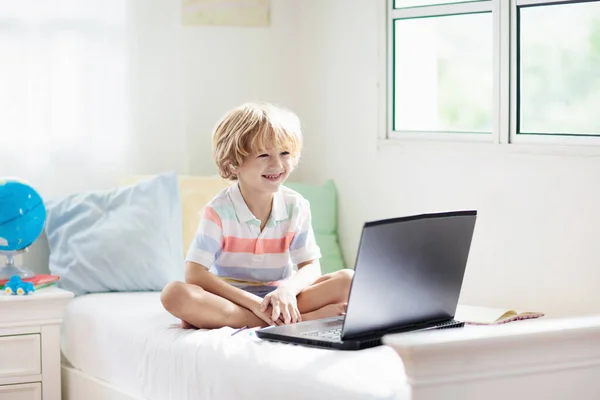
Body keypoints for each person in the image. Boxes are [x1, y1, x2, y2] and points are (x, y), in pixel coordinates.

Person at [160, 102, 354, 329]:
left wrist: (287, 290)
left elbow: (310, 266)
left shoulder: (296, 206)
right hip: (233, 300)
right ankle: (302, 319)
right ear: (233, 163)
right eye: (263, 155)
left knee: (348, 280)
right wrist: (254, 304)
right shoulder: (218, 211)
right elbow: (194, 274)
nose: (277, 164)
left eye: (284, 153)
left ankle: (257, 319)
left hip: (282, 297)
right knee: (174, 294)